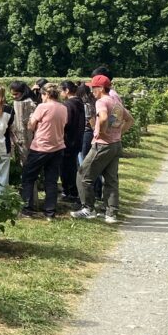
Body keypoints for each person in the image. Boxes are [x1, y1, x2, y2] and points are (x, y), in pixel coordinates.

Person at [73, 74, 135, 224]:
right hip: (116, 144)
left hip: (102, 144)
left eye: (93, 88)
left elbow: (104, 117)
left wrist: (102, 132)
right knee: (111, 180)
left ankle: (88, 209)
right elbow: (130, 120)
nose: (92, 91)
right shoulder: (116, 102)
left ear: (100, 88)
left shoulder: (101, 101)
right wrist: (118, 133)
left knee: (83, 175)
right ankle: (111, 213)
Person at [22, 83, 67, 219]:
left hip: (41, 147)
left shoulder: (42, 107)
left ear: (46, 94)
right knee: (51, 180)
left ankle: (27, 207)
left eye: (41, 95)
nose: (41, 97)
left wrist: (30, 119)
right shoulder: (63, 108)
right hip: (58, 147)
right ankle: (50, 211)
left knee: (28, 177)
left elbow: (31, 126)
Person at [60, 81, 86, 202]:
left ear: (66, 91)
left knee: (66, 168)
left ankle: (69, 192)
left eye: (61, 90)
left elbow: (65, 123)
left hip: (68, 140)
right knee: (72, 167)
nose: (60, 93)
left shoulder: (68, 105)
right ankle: (73, 191)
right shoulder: (80, 102)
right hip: (78, 139)